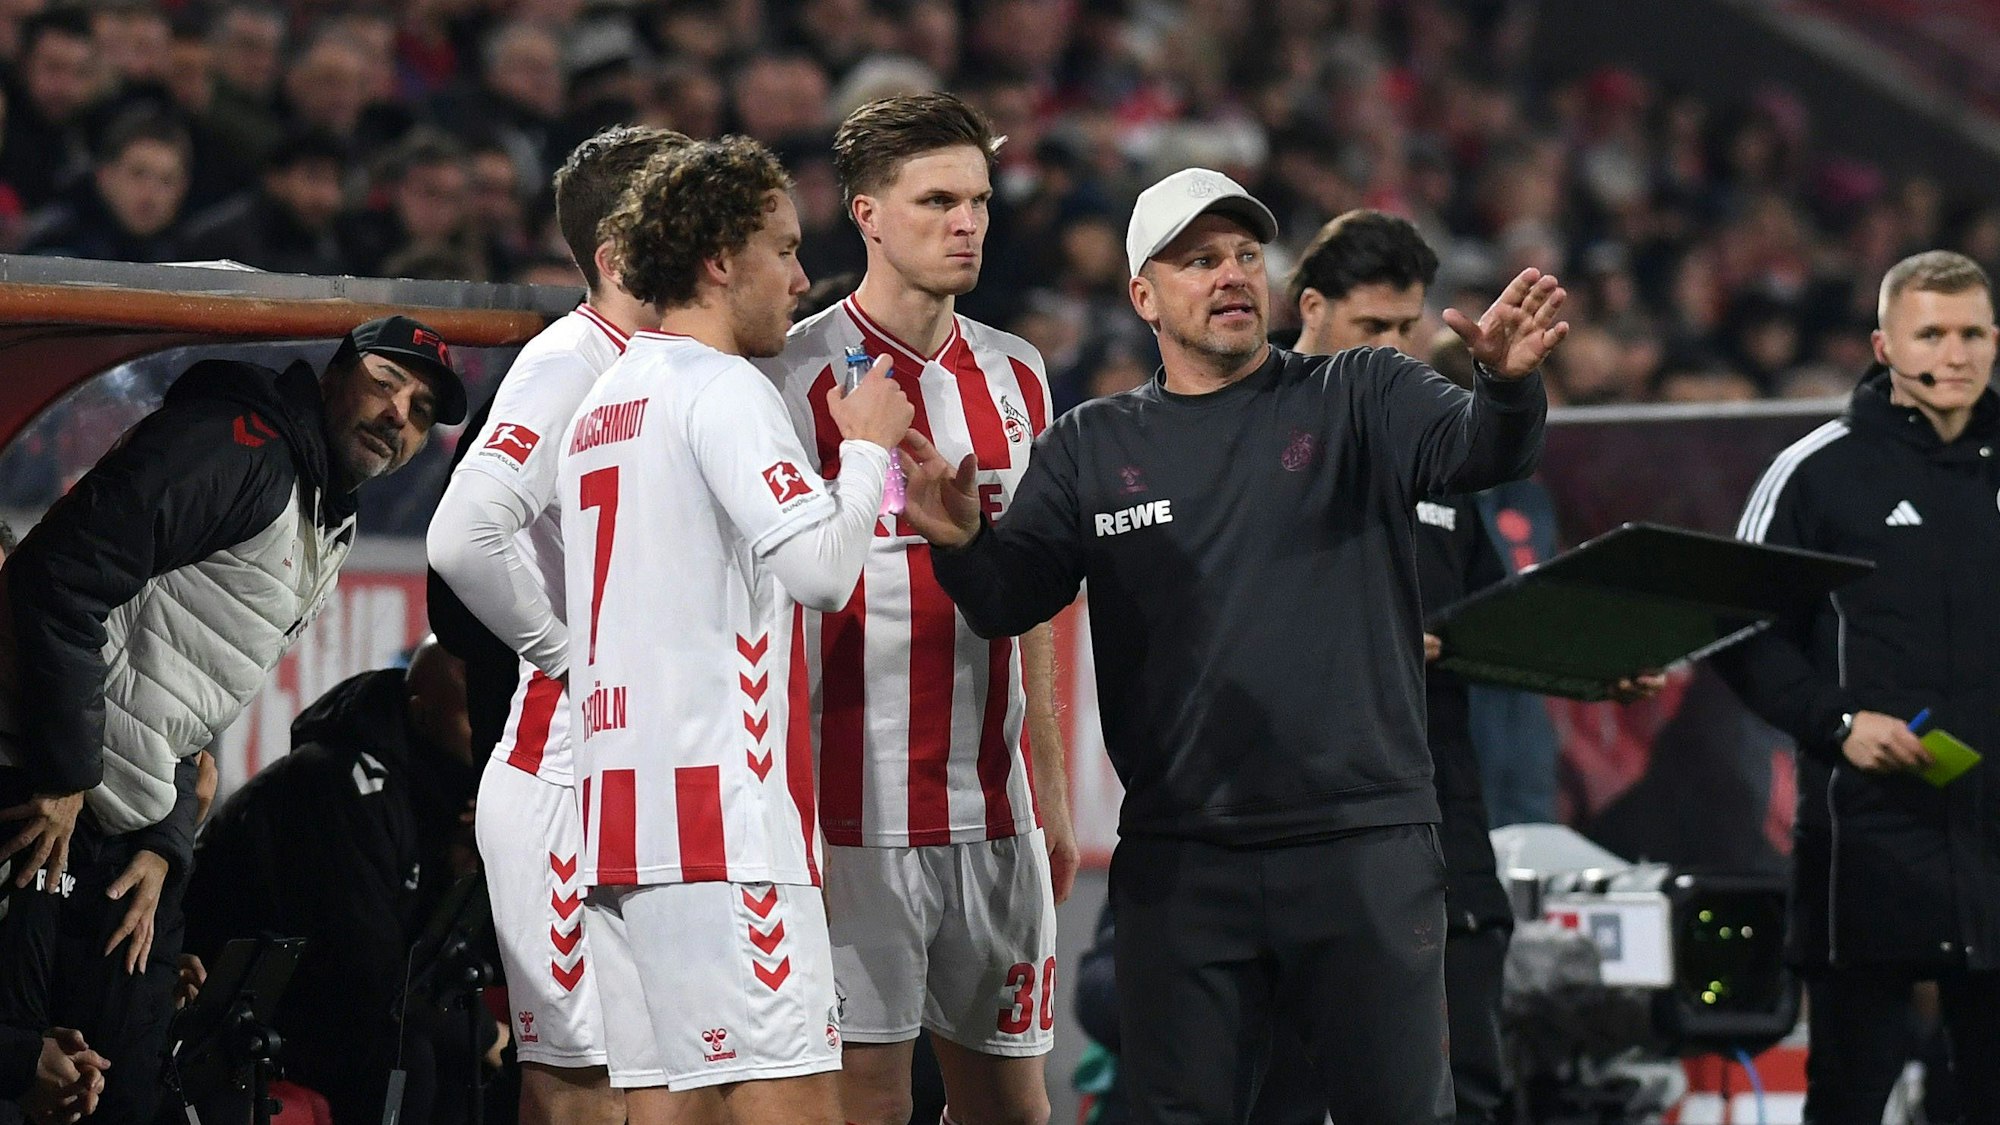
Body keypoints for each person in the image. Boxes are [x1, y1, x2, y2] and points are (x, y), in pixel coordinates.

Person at [899, 166, 1566, 1122]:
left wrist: (1505, 384)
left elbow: (1482, 450)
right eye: (1199, 259)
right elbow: (1010, 599)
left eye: (1246, 255)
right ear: (1144, 296)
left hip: (1362, 845)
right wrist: (961, 540)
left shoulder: (1363, 390)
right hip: (1186, 862)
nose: (1231, 276)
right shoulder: (1091, 444)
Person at [0, 313, 465, 1124]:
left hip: (121, 839)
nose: (400, 413)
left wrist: (165, 836)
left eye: (422, 409)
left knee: (114, 1094)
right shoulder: (237, 445)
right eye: (387, 381)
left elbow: (185, 690)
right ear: (332, 373)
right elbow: (57, 575)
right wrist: (66, 773)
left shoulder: (329, 513)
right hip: (46, 804)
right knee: (30, 1079)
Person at [557, 136, 910, 1124]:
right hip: (725, 824)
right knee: (791, 1104)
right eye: (784, 249)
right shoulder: (723, 391)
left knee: (669, 1108)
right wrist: (866, 451)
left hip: (620, 821)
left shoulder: (605, 402)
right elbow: (824, 570)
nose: (802, 279)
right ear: (718, 259)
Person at [752, 91, 1069, 1125]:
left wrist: (1053, 795)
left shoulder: (1018, 375)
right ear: (867, 214)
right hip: (845, 819)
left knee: (1013, 1109)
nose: (966, 222)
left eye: (977, 199)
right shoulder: (784, 375)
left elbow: (1037, 599)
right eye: (936, 199)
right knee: (866, 1108)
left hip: (993, 811)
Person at [427, 123, 687, 1125]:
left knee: (648, 1072)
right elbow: (461, 538)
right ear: (619, 258)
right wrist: (566, 656)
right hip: (564, 764)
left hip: (638, 765)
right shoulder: (569, 365)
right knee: (582, 1081)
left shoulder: (659, 367)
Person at [1716, 249, 2000, 1123]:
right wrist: (1839, 722)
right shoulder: (1816, 470)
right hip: (1865, 842)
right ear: (1883, 344)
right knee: (1848, 1095)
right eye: (1931, 334)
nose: (1953, 355)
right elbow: (1739, 628)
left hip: (1995, 844)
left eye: (1972, 334)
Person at [182, 639, 491, 1125]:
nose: (488, 733)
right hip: (249, 1009)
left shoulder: (441, 794)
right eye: (474, 719)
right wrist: (489, 1037)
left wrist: (460, 870)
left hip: (331, 997)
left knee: (457, 1053)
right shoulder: (341, 786)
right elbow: (364, 975)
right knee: (410, 1056)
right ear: (422, 714)